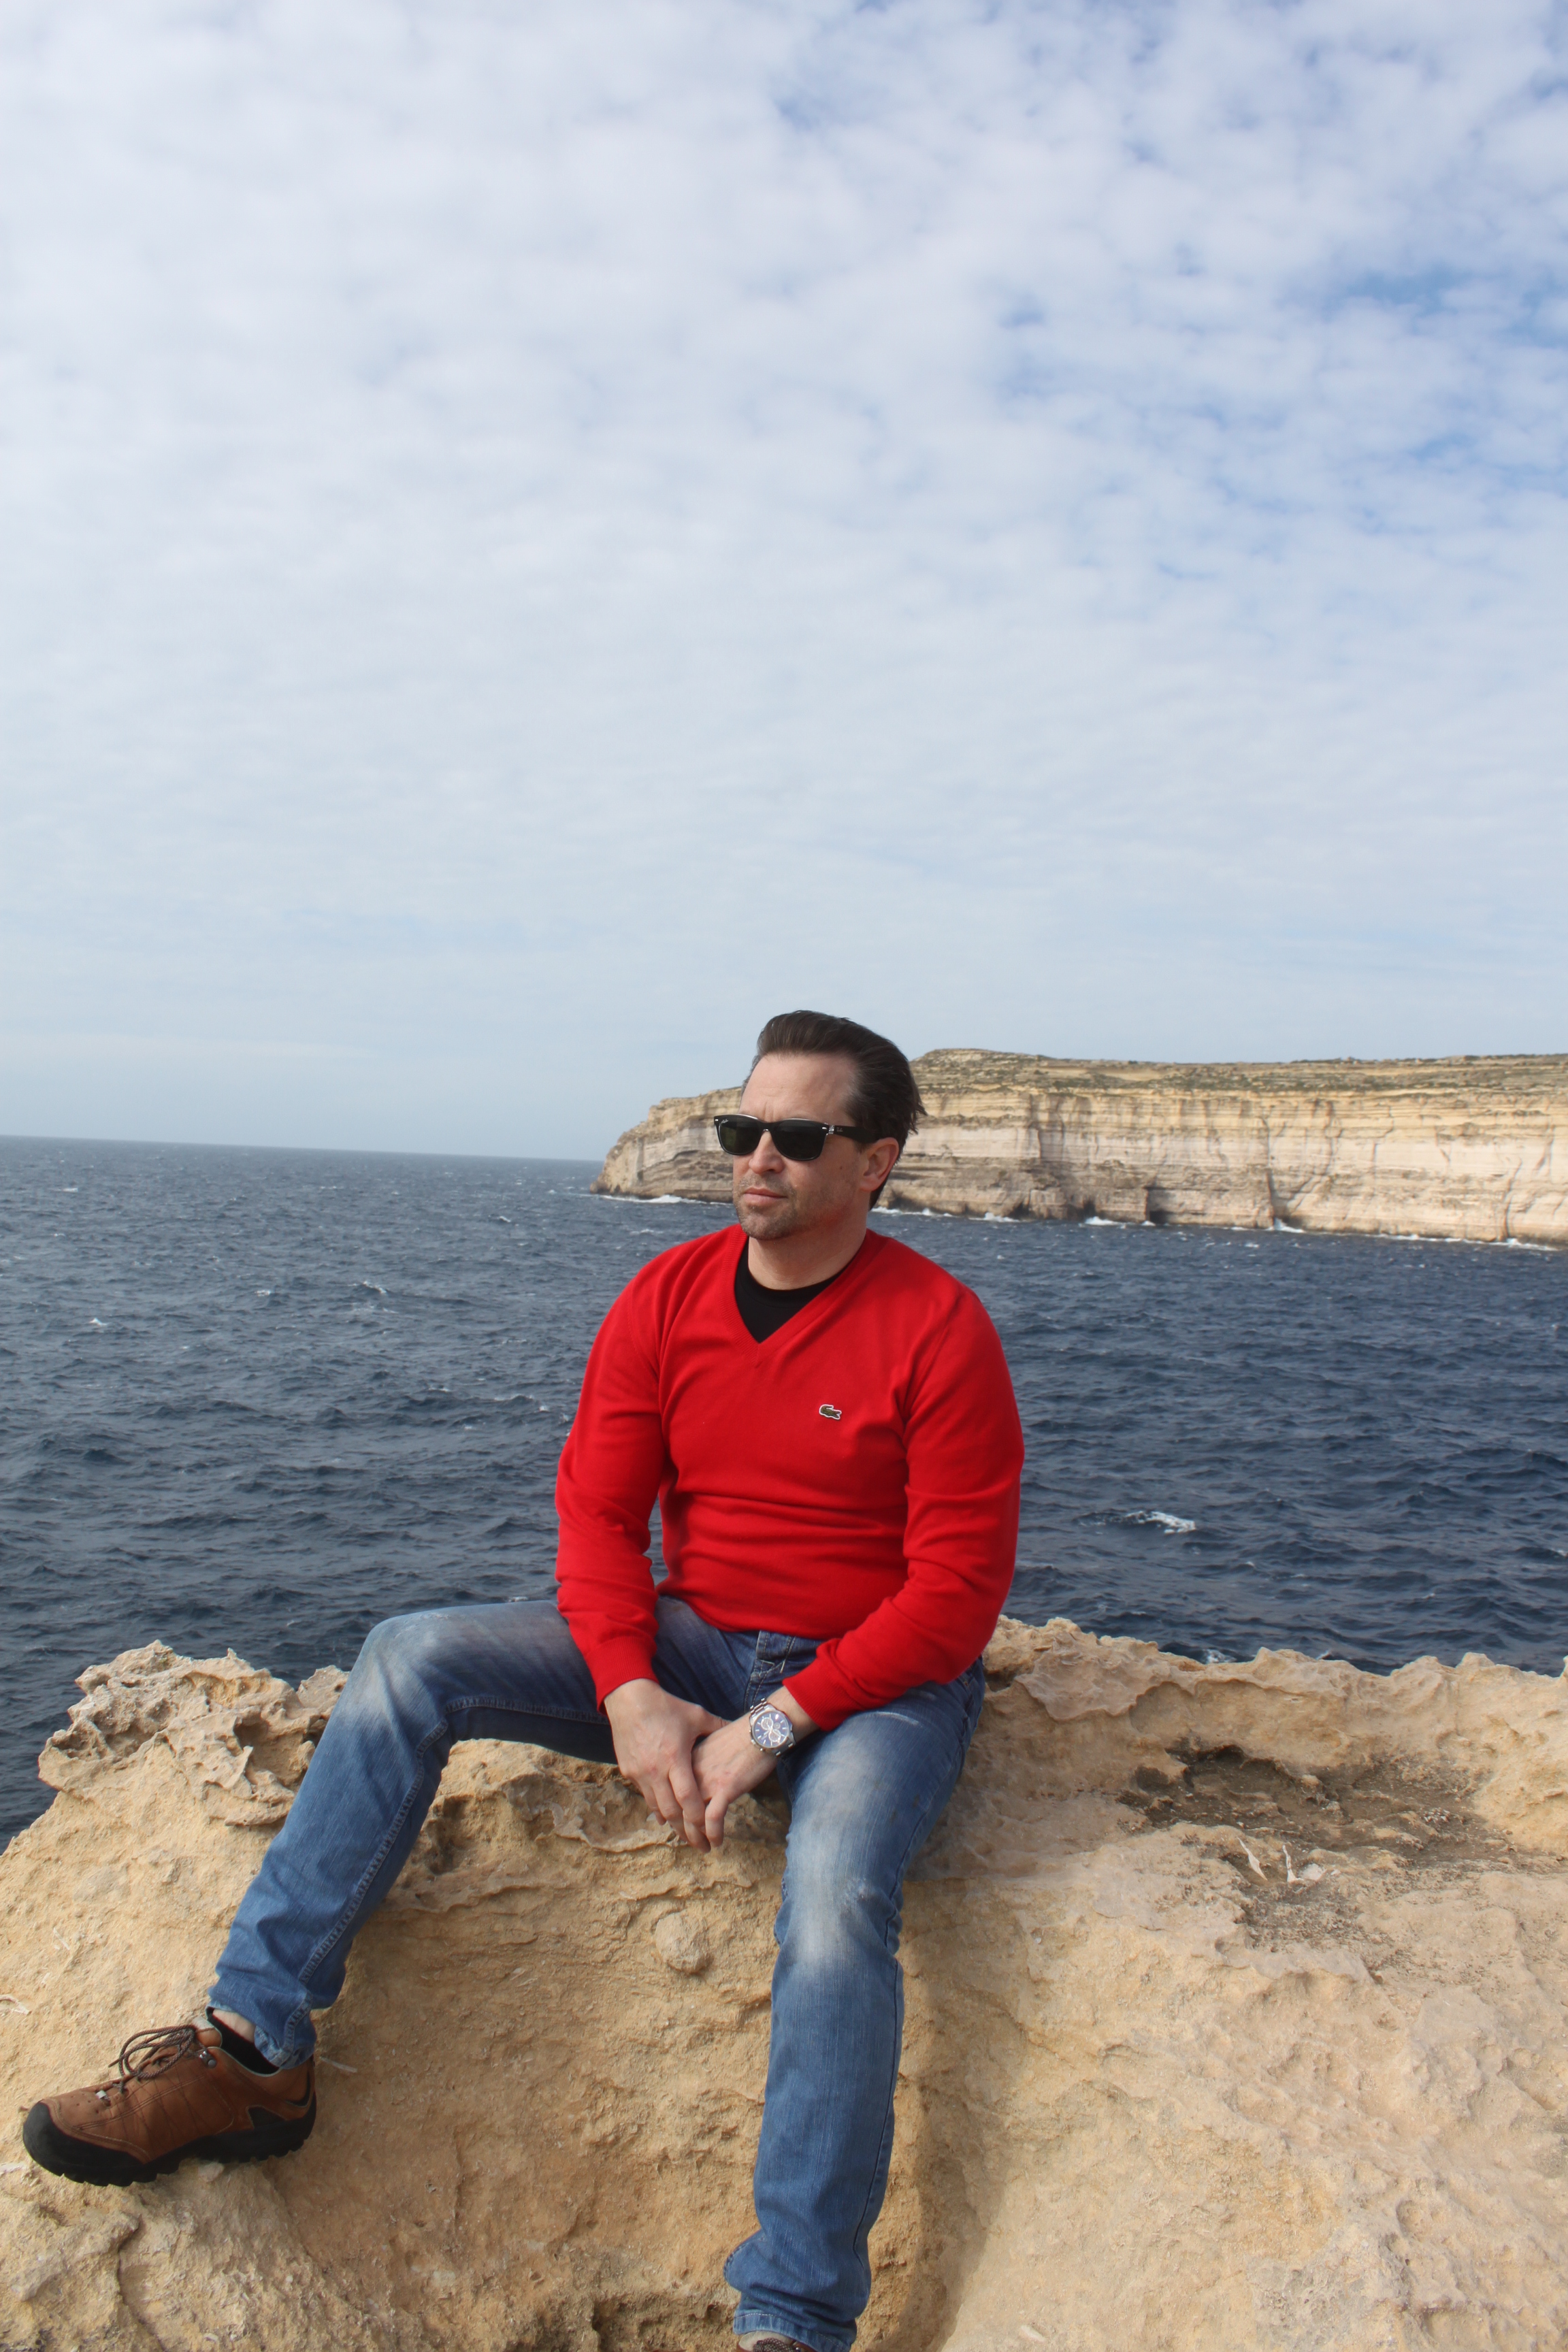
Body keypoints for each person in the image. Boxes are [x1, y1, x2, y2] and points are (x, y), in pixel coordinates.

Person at [24, 1009, 1024, 2352]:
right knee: (410, 1656)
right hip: (693, 1641)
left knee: (837, 1894)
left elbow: (955, 1595)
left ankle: (793, 2314)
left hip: (877, 1685)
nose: (757, 1157)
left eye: (797, 1136)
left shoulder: (939, 1330)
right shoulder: (665, 1299)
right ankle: (254, 2055)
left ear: (876, 1161)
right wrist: (628, 1691)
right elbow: (599, 1519)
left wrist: (776, 1727)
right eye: (743, 1128)